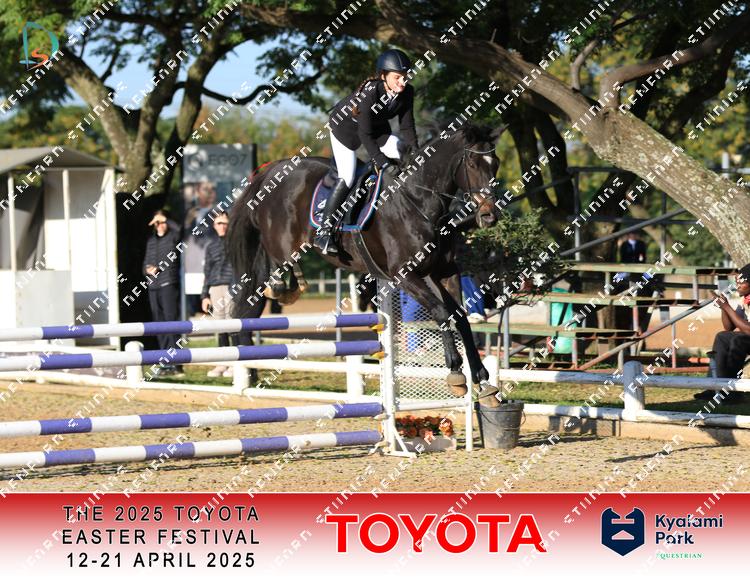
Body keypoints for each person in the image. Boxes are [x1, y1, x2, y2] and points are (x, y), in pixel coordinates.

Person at [314, 48, 419, 256]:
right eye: (397, 77)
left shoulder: (407, 92)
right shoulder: (370, 92)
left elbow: (407, 126)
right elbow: (364, 134)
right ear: (383, 76)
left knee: (402, 151)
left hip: (376, 130)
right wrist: (381, 161)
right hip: (344, 130)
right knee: (348, 175)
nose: (402, 82)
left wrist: (415, 153)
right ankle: (324, 231)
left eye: (405, 77)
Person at [694, 264, 750, 404]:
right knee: (722, 336)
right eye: (736, 281)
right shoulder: (745, 299)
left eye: (741, 282)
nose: (737, 285)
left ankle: (733, 391)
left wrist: (727, 307)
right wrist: (723, 307)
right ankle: (714, 387)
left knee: (739, 340)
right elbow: (729, 327)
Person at [143, 209, 183, 376]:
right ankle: (165, 361)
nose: (160, 225)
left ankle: (177, 362)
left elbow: (180, 230)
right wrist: (147, 270)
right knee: (159, 325)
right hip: (153, 286)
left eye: (162, 222)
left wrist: (166, 218)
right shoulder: (151, 241)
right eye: (157, 222)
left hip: (168, 284)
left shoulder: (173, 237)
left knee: (171, 322)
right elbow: (145, 263)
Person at [201, 212, 236, 377]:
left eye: (224, 223)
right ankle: (222, 362)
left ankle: (235, 363)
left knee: (232, 325)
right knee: (220, 327)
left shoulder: (236, 242)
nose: (221, 226)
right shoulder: (210, 246)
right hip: (215, 289)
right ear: (214, 226)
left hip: (231, 287)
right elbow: (207, 271)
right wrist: (204, 296)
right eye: (218, 223)